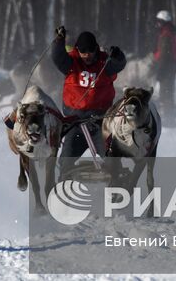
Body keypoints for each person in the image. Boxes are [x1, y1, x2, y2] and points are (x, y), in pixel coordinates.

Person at [51, 26, 126, 178]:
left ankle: (116, 192)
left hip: (99, 125)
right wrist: (59, 40)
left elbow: (119, 64)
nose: (87, 55)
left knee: (112, 161)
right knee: (65, 162)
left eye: (90, 51)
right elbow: (57, 57)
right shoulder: (71, 62)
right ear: (77, 50)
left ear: (96, 49)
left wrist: (118, 55)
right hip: (76, 125)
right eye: (83, 52)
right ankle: (62, 194)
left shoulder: (105, 62)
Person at [152, 10, 176, 112]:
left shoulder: (166, 35)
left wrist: (161, 71)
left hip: (167, 67)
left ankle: (169, 118)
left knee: (165, 92)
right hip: (171, 66)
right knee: (168, 91)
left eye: (159, 21)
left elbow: (165, 54)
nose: (157, 24)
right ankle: (169, 115)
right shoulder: (171, 32)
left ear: (164, 22)